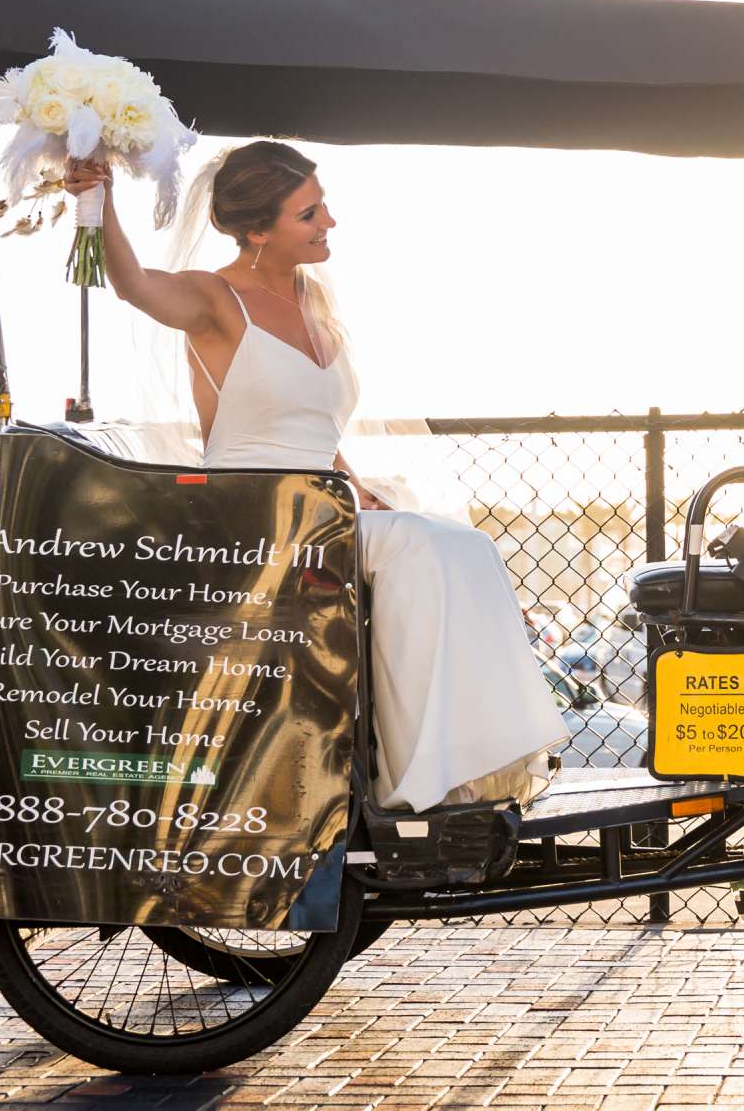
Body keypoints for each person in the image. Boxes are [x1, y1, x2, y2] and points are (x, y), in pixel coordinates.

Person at [64, 140, 568, 811]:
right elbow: (132, 284)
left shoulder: (316, 297)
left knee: (460, 543)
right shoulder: (215, 300)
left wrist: (357, 485)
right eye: (308, 213)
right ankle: (428, 779)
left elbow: (315, 428)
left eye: (323, 206)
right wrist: (92, 199)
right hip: (253, 517)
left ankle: (464, 762)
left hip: (326, 506)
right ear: (255, 230)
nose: (328, 222)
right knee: (424, 546)